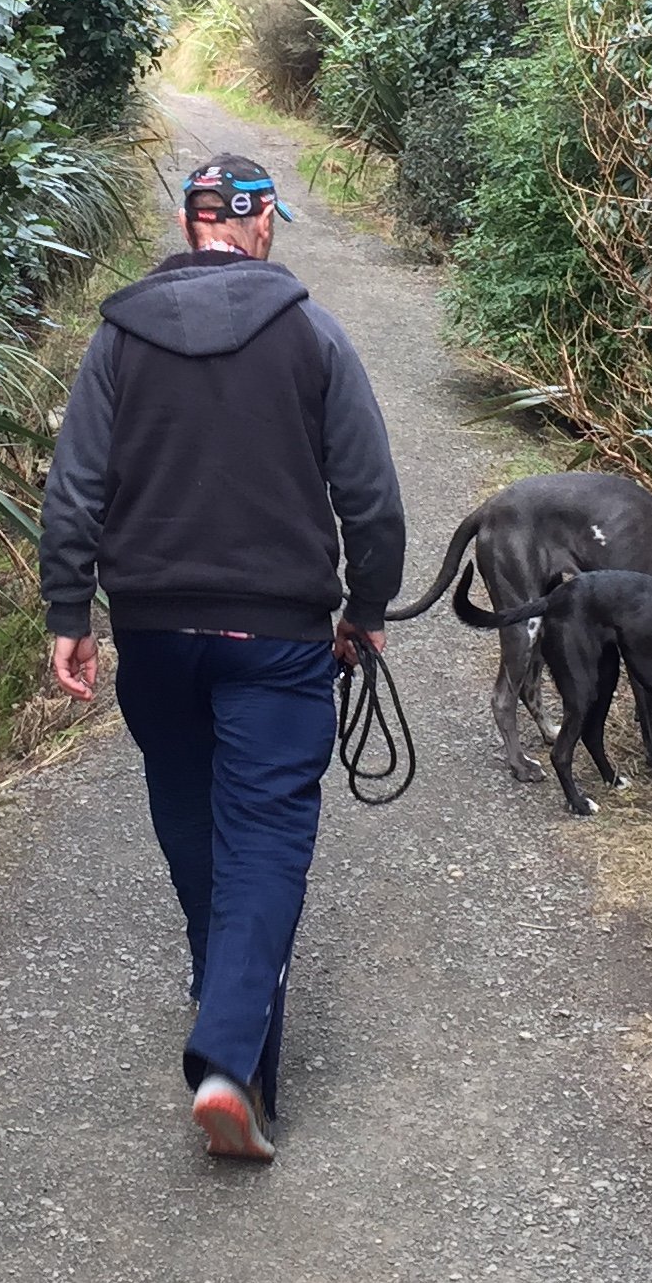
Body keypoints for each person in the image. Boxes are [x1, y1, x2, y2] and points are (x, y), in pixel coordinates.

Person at [39, 152, 406, 1163]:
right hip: (279, 640)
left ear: (191, 221)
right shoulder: (312, 334)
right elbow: (369, 494)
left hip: (155, 636)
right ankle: (230, 1065)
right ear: (257, 226)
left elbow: (75, 489)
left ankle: (230, 1030)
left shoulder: (117, 338)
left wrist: (70, 608)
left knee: (195, 828)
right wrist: (367, 605)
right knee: (268, 842)